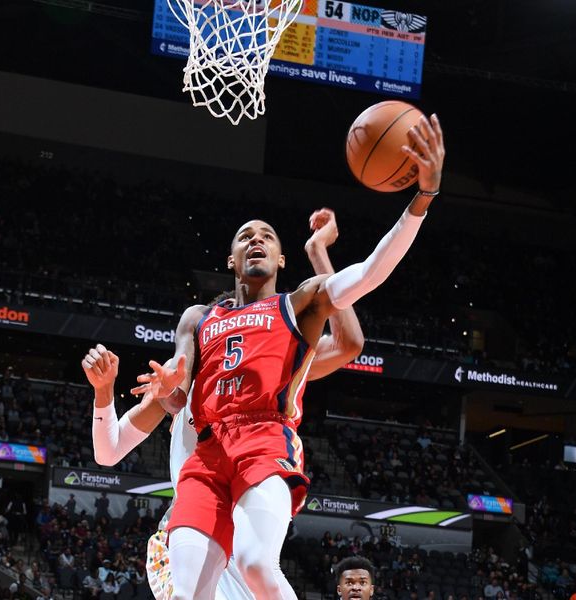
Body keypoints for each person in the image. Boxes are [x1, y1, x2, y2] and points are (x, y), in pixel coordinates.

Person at [135, 115, 444, 599]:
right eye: (244, 236)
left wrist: (421, 200)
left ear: (281, 259)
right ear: (231, 260)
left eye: (267, 235)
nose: (255, 238)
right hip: (208, 452)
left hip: (264, 438)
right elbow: (179, 380)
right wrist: (172, 383)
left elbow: (368, 275)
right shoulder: (199, 316)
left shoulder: (298, 304)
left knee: (258, 564)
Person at [83, 208, 366, 599]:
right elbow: (109, 450)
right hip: (198, 524)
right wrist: (103, 392)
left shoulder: (268, 370)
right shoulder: (176, 381)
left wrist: (318, 252)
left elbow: (349, 344)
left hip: (248, 509)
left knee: (259, 568)